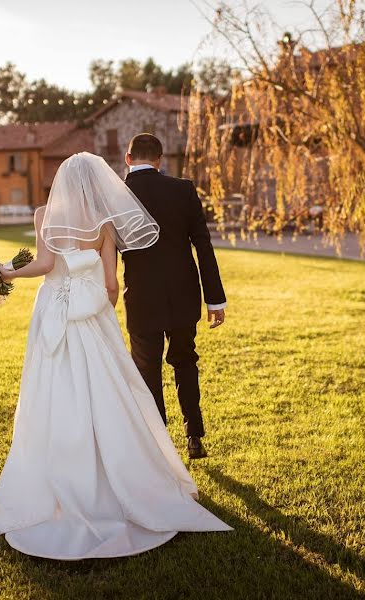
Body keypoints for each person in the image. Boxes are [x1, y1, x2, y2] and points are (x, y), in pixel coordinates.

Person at [0, 152, 231, 560]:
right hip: (93, 318)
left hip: (53, 313)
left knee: (54, 390)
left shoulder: (44, 215)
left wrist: (8, 273)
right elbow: (111, 285)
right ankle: (133, 474)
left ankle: (62, 476)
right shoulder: (105, 224)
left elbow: (45, 263)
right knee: (112, 389)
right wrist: (98, 304)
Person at [122, 133, 227, 459]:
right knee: (185, 361)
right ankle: (194, 437)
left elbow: (107, 251)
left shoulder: (118, 194)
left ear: (128, 159)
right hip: (184, 293)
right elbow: (203, 245)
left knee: (147, 370)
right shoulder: (183, 190)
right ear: (160, 160)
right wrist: (215, 299)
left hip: (140, 297)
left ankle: (160, 444)